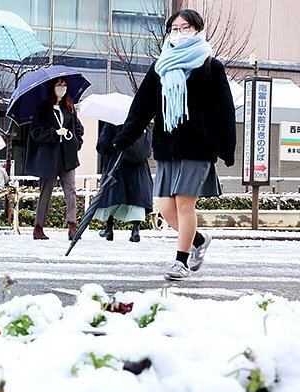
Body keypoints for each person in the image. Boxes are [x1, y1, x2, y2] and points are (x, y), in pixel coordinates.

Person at [112, 9, 235, 280]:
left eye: (186, 28)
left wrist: (226, 148)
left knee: (183, 204)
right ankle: (199, 240)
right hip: (167, 147)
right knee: (166, 209)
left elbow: (224, 110)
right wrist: (123, 139)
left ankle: (180, 262)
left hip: (198, 148)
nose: (180, 33)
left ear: (198, 31)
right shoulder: (161, 66)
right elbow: (142, 107)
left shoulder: (209, 66)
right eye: (175, 28)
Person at [26, 77, 84, 241]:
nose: (62, 87)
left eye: (64, 84)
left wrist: (75, 143)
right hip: (49, 158)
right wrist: (54, 133)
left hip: (67, 156)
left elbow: (79, 129)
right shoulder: (43, 109)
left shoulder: (69, 109)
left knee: (70, 190)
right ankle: (38, 227)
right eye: (59, 84)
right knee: (46, 191)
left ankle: (72, 225)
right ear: (53, 87)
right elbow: (35, 132)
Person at [94, 122, 153, 243]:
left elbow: (103, 147)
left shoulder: (114, 123)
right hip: (139, 169)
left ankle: (109, 228)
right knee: (137, 199)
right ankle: (135, 230)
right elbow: (148, 151)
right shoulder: (144, 125)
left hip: (117, 166)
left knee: (112, 197)